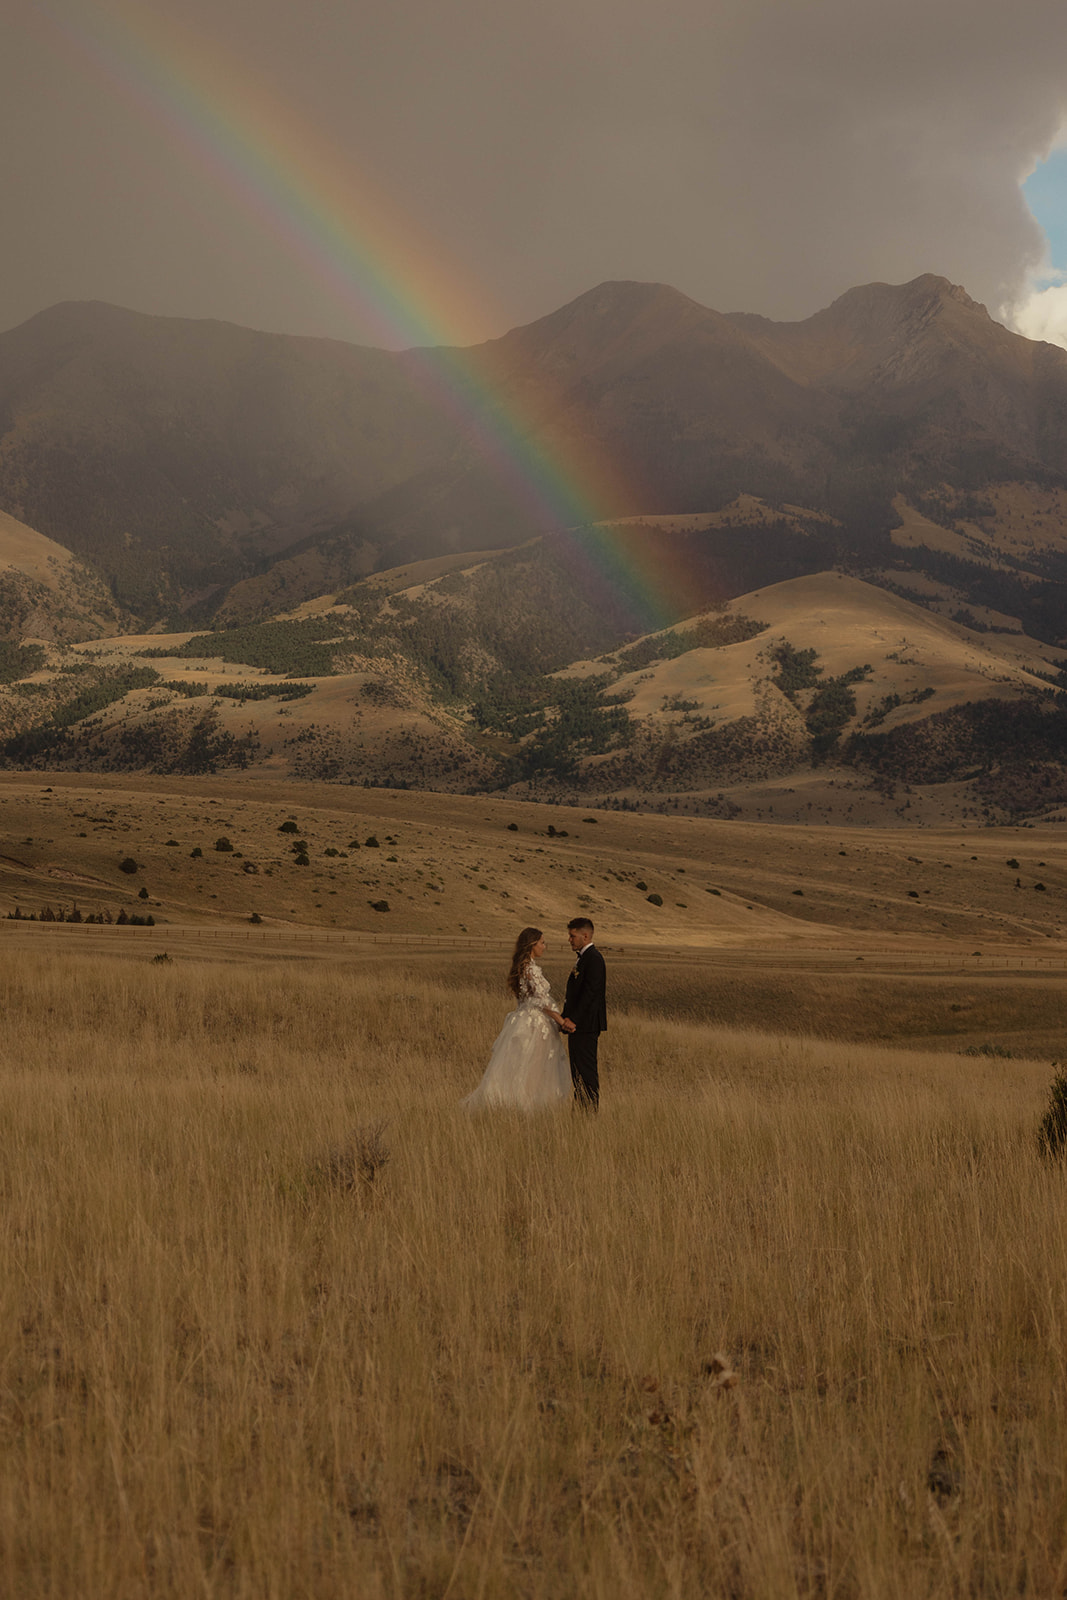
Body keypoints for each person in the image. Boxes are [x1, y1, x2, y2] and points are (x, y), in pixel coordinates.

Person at [462, 927, 572, 1111]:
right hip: (534, 1024)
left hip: (523, 1019)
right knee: (532, 1068)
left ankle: (518, 1106)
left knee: (522, 1065)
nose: (545, 947)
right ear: (532, 945)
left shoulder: (524, 967)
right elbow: (541, 1000)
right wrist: (560, 1021)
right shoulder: (530, 969)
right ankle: (524, 1106)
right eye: (542, 943)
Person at [562, 917, 607, 1110]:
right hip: (578, 1026)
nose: (569, 940)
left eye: (573, 936)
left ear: (585, 936)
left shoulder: (594, 959)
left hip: (586, 1026)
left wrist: (574, 1020)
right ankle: (580, 1110)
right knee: (577, 1072)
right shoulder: (583, 959)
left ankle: (588, 1112)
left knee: (586, 1072)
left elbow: (591, 994)